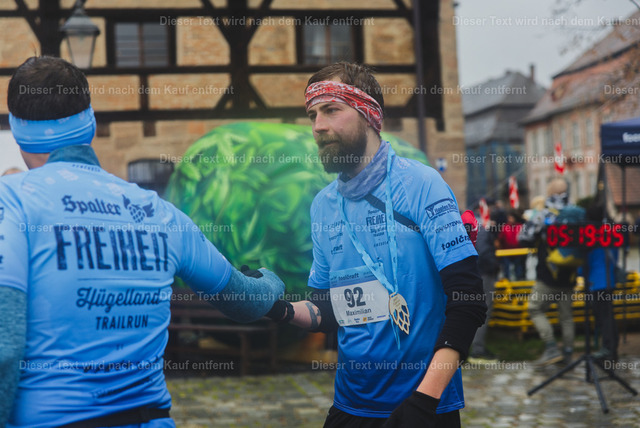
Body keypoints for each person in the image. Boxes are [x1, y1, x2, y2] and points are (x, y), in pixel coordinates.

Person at [0, 56, 285, 428]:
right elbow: (244, 301)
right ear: (90, 122)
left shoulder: (11, 201)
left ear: (17, 130)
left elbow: (5, 346)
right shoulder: (159, 211)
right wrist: (272, 281)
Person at [265, 62, 487, 427]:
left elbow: (468, 301)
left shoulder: (421, 184)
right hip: (350, 407)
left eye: (331, 110)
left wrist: (424, 401)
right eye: (313, 115)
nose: (318, 126)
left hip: (423, 408)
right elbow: (328, 310)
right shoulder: (323, 205)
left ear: (368, 114)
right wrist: (275, 307)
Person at [518, 178, 581, 366]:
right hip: (570, 272)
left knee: (535, 308)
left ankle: (551, 348)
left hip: (548, 273)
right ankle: (568, 352)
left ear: (550, 191)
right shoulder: (576, 212)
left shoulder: (544, 213)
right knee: (566, 316)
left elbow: (524, 237)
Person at [585, 203, 619, 364]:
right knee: (608, 316)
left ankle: (608, 349)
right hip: (609, 280)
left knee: (603, 317)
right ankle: (611, 349)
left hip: (597, 282)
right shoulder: (611, 232)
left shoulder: (591, 236)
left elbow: (587, 262)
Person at [469, 211, 500, 361]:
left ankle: (467, 348)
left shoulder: (467, 227)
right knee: (483, 310)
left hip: (471, 273)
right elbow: (484, 252)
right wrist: (495, 268)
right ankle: (478, 349)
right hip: (483, 274)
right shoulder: (481, 230)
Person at [497, 209, 526, 281]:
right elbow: (500, 239)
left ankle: (519, 282)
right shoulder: (505, 227)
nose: (510, 219)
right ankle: (507, 281)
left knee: (518, 269)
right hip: (506, 252)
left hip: (518, 252)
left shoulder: (520, 226)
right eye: (509, 218)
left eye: (511, 217)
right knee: (506, 269)